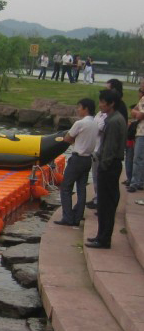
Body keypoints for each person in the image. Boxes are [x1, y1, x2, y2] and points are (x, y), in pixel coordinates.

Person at [86, 89, 127, 249]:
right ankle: (100, 235)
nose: (101, 105)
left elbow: (110, 148)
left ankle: (104, 239)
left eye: (103, 102)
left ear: (111, 104)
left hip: (109, 166)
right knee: (104, 204)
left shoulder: (114, 121)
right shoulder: (114, 118)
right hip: (110, 164)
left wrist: (103, 166)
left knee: (106, 204)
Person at [54, 98, 99, 226]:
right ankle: (78, 216)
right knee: (81, 188)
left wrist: (75, 141)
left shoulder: (80, 123)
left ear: (85, 109)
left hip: (77, 158)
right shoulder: (95, 123)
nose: (78, 110)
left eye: (79, 107)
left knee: (66, 187)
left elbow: (67, 138)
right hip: (87, 159)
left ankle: (68, 216)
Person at [127, 87, 144, 192]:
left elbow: (139, 115)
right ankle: (140, 181)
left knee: (137, 158)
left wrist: (136, 112)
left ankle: (135, 182)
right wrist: (136, 112)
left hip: (142, 133)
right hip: (140, 132)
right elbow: (134, 111)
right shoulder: (142, 100)